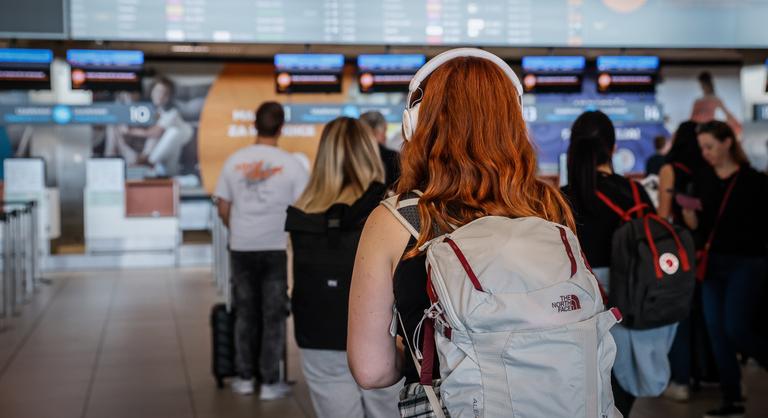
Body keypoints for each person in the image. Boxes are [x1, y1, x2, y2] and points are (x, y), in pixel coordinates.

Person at [347, 50, 575, 413]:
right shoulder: (550, 207)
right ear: (516, 123)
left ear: (415, 125)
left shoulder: (396, 221)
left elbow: (371, 370)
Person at [285, 116, 400, 418]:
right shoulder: (388, 210)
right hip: (382, 334)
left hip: (317, 334)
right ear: (369, 150)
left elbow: (292, 283)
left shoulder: (301, 212)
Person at [562, 110, 662, 417]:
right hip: (626, 299)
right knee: (620, 386)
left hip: (575, 305)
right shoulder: (634, 192)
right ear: (613, 147)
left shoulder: (560, 199)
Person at [214, 101, 308, 399]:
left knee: (245, 313)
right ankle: (269, 382)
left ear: (254, 125)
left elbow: (223, 205)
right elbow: (304, 208)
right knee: (273, 314)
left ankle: (244, 377)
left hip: (241, 246)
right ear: (281, 127)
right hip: (274, 247)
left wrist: (238, 227)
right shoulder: (291, 163)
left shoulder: (234, 161)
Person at [681, 121, 768, 418]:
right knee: (718, 333)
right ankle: (732, 399)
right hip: (712, 263)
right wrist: (690, 217)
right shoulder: (702, 180)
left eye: (710, 146)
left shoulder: (754, 181)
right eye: (703, 148)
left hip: (747, 263)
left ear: (728, 142)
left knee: (737, 328)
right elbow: (701, 229)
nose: (706, 153)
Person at [658, 121, 719, 402]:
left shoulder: (671, 171)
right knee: (706, 314)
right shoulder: (710, 170)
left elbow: (663, 216)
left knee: (680, 314)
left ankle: (681, 379)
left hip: (680, 250)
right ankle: (708, 373)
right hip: (708, 249)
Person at [114, 77, 194, 176]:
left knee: (174, 132)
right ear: (151, 92)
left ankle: (148, 162)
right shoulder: (148, 110)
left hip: (181, 138)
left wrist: (129, 131)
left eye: (165, 93)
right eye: (158, 92)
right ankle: (154, 168)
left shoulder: (172, 112)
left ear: (169, 96)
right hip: (165, 153)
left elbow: (155, 132)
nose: (160, 96)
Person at [691, 72, 742, 136]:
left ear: (709, 84)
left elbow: (727, 114)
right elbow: (692, 118)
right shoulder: (697, 101)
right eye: (701, 85)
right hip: (696, 130)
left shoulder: (715, 100)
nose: (703, 87)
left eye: (704, 84)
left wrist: (735, 126)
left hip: (708, 130)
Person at [359, 110, 401, 189]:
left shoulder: (350, 156)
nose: (386, 137)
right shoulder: (392, 158)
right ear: (374, 132)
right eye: (384, 131)